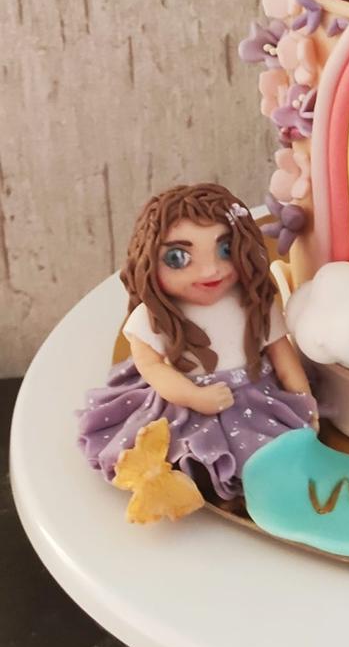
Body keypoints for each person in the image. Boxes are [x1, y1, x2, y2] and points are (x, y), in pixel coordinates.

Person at [78, 183, 317, 502]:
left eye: (225, 249)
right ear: (148, 259)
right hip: (185, 403)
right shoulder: (155, 316)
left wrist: (303, 399)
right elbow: (152, 368)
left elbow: (281, 353)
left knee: (268, 455)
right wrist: (194, 396)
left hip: (255, 400)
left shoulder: (254, 304)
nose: (210, 269)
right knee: (182, 454)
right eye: (178, 257)